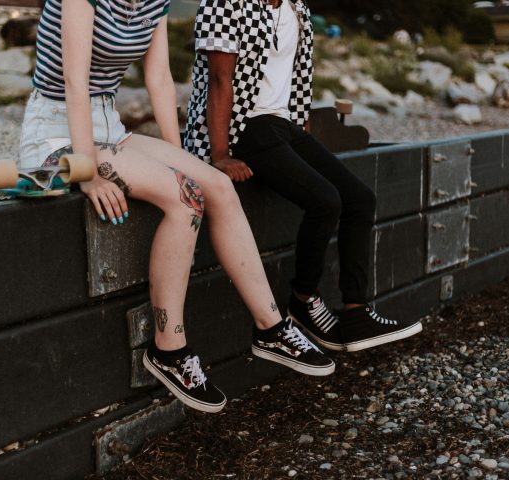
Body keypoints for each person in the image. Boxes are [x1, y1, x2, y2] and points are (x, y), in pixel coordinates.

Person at [19, 0, 335, 414]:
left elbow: (160, 80)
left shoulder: (155, 3)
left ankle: (272, 328)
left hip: (110, 127)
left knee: (218, 186)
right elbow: (75, 86)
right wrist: (87, 171)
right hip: (55, 133)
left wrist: (178, 157)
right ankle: (169, 349)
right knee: (186, 198)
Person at [185, 0, 422, 353]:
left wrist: (303, 141)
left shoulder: (296, 8)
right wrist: (220, 155)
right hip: (243, 127)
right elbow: (220, 79)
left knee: (359, 199)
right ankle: (303, 299)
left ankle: (356, 313)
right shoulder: (225, 2)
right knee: (325, 201)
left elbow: (297, 77)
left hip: (284, 126)